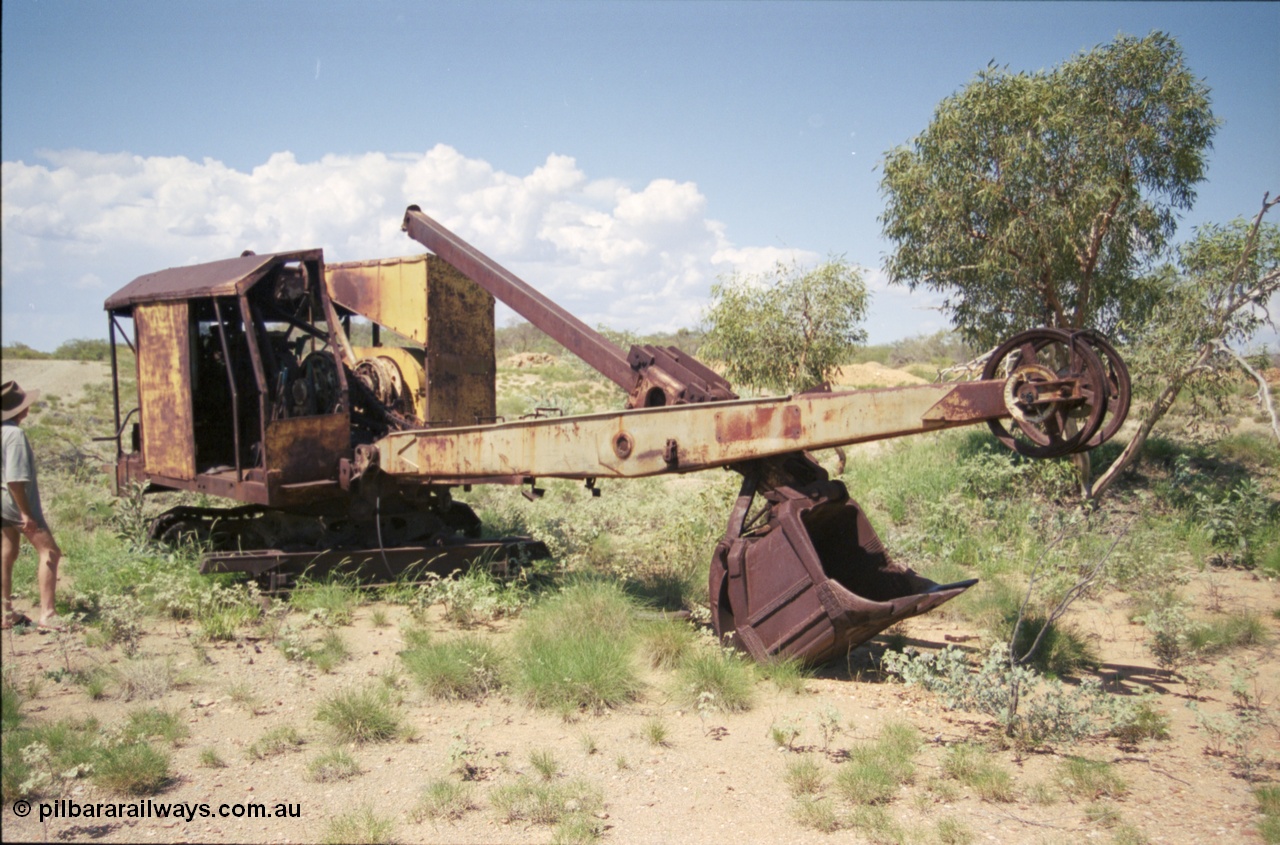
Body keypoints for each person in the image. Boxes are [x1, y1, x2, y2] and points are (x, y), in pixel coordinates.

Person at [2, 380, 63, 631]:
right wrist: (26, 512)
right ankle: (48, 614)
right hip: (15, 501)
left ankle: (4, 612)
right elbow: (15, 479)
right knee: (49, 552)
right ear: (21, 410)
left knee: (7, 551)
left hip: (1, 502)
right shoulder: (14, 434)